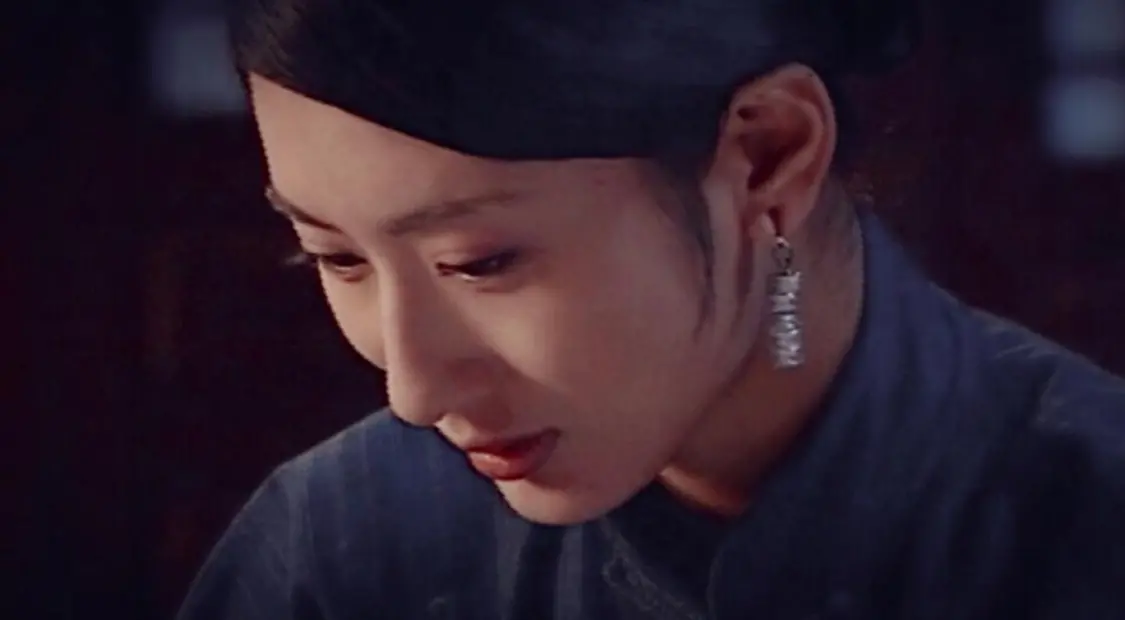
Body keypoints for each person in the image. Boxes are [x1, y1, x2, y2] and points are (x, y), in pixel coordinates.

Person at [178, 0, 1125, 618]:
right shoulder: (338, 552)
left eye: (481, 261)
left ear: (765, 157)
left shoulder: (1091, 526)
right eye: (335, 257)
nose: (414, 391)